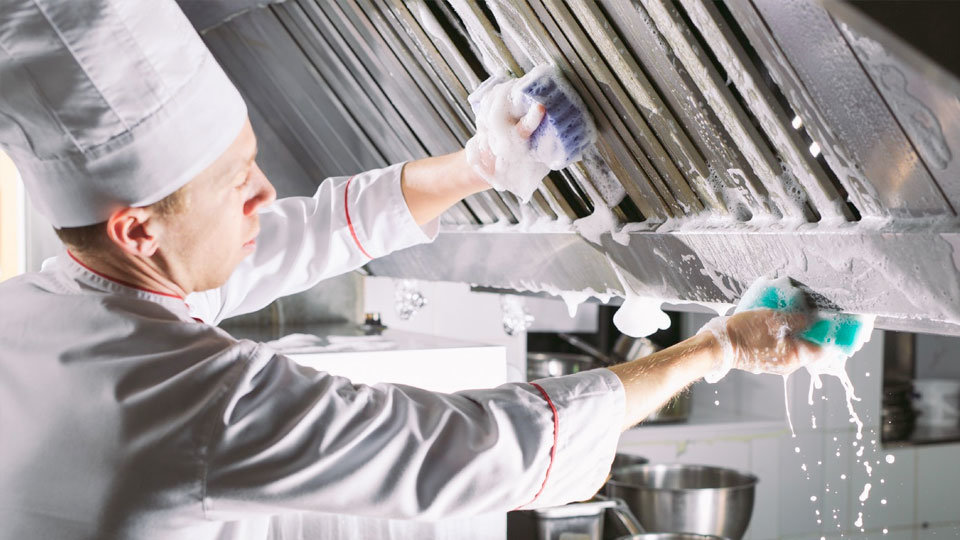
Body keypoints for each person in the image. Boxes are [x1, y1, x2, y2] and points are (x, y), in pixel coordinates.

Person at [0, 1, 821, 538]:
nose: (266, 192)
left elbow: (306, 231)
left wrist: (485, 164)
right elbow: (485, 452)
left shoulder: (44, 306)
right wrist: (721, 348)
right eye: (236, 184)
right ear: (137, 229)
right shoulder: (192, 404)